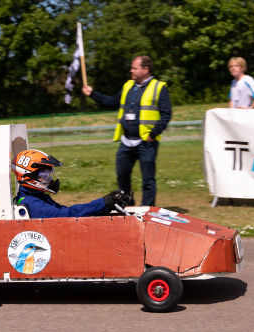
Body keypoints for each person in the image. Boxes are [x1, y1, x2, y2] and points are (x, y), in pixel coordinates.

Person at [81, 56, 172, 206]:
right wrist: (92, 94)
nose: (131, 70)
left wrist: (153, 133)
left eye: (134, 68)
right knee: (122, 174)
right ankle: (127, 204)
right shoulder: (128, 85)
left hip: (146, 142)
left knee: (148, 179)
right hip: (126, 141)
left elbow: (166, 114)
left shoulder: (159, 87)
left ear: (145, 69)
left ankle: (147, 209)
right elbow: (112, 102)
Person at [11, 149, 133, 219]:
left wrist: (107, 207)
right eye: (43, 173)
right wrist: (103, 203)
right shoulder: (32, 203)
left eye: (48, 173)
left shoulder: (37, 196)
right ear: (27, 174)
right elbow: (68, 216)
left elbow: (67, 211)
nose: (47, 178)